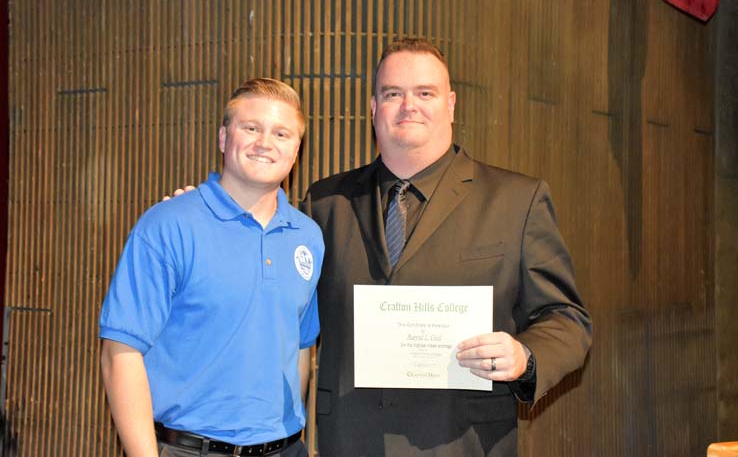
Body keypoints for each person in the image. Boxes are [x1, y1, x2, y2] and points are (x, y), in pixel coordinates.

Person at [301, 38, 592, 456]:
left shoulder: (516, 201)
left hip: (464, 443)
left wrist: (525, 357)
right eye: (392, 94)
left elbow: (566, 319)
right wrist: (198, 222)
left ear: (451, 105)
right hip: (351, 441)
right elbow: (271, 295)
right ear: (372, 108)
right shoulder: (324, 203)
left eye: (425, 93)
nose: (408, 105)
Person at [99, 78, 324, 457]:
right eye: (251, 128)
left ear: (296, 150)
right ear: (223, 138)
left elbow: (301, 346)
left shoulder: (308, 237)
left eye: (281, 133)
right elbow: (119, 352)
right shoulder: (167, 226)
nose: (265, 143)